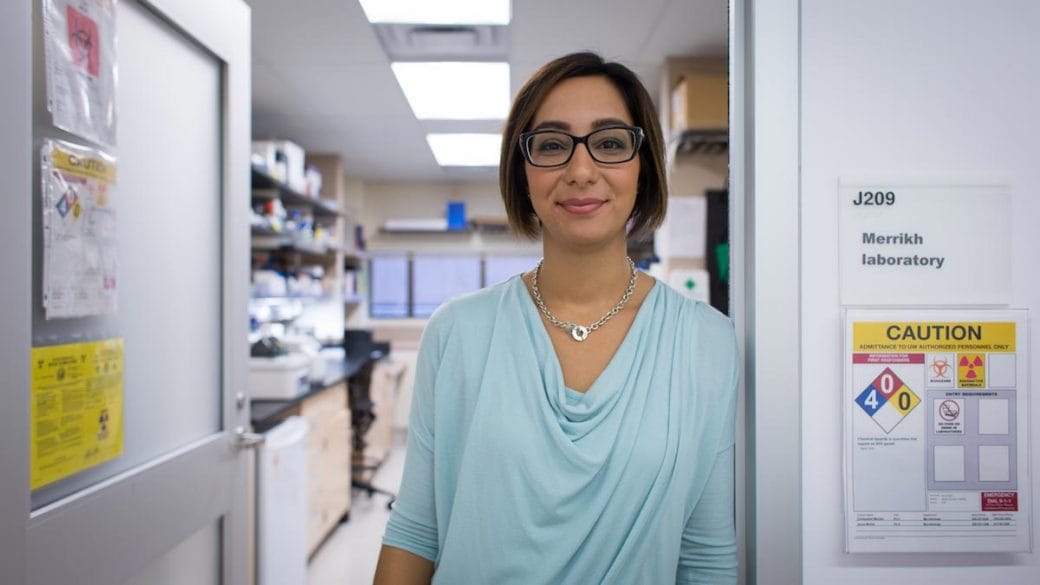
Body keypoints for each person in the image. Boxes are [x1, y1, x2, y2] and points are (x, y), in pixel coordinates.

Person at [373, 51, 739, 585]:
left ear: (645, 167)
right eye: (551, 145)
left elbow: (706, 557)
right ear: (523, 174)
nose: (581, 170)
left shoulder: (707, 341)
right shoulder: (457, 333)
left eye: (611, 143)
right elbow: (416, 533)